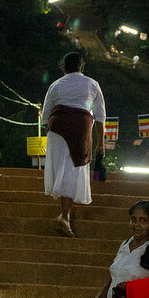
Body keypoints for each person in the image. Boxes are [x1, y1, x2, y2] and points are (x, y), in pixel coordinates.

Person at [41, 51, 106, 236]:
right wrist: (100, 143)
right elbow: (100, 116)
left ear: (63, 68)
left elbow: (46, 116)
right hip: (80, 129)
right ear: (82, 68)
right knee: (71, 171)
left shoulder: (56, 85)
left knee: (64, 171)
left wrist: (52, 136)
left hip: (57, 128)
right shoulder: (92, 84)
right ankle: (65, 217)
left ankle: (65, 216)